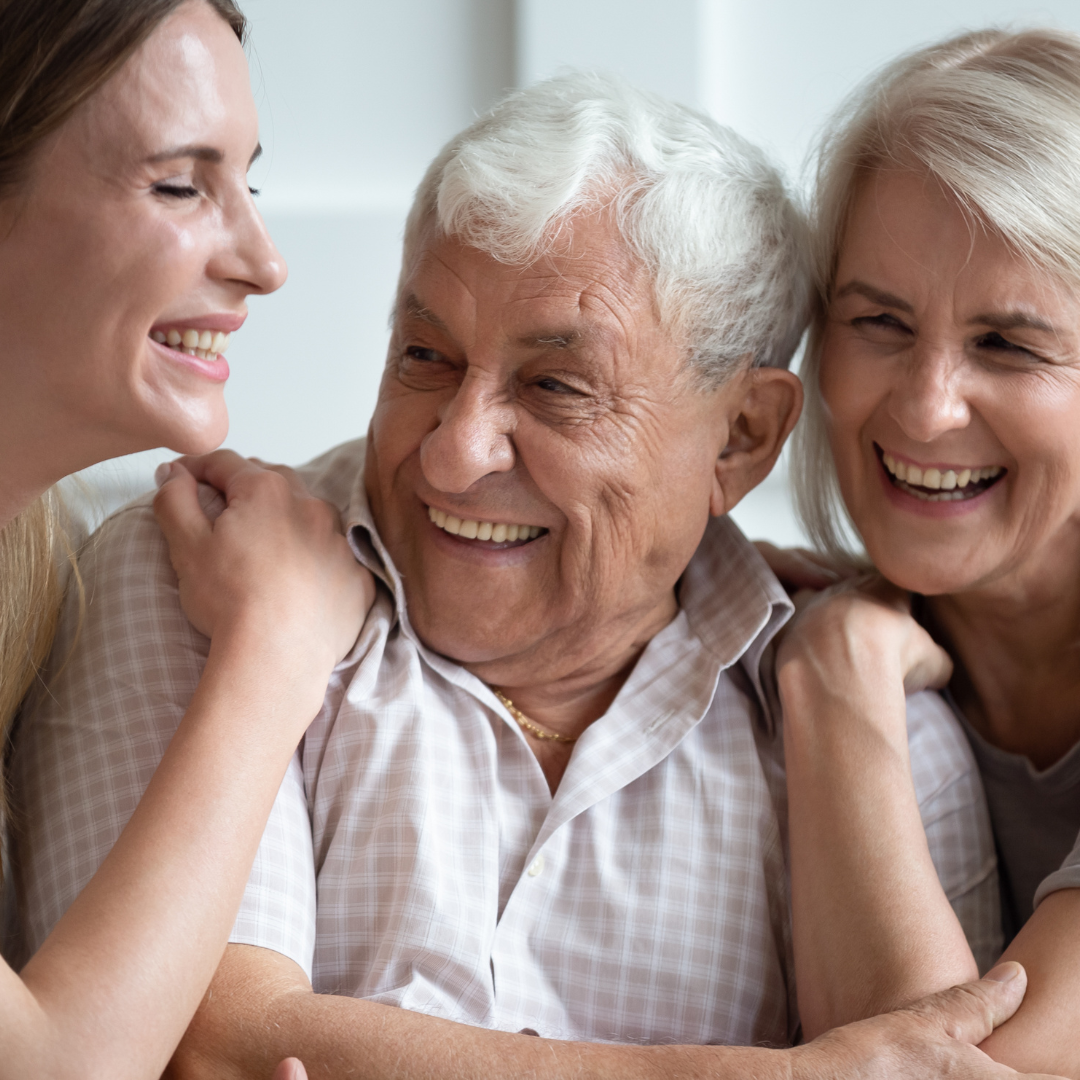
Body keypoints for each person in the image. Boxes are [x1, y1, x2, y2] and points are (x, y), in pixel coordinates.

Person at [12, 71, 1058, 1080]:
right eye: (425, 356)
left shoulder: (875, 722)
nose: (454, 452)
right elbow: (206, 1048)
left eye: (556, 386)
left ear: (742, 438)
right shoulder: (200, 578)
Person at [0, 1, 372, 1076]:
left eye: (247, 183)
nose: (263, 261)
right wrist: (275, 650)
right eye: (179, 185)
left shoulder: (42, 558)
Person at [759, 26, 1080, 1078]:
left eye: (1008, 344)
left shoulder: (830, 644)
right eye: (880, 322)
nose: (927, 407)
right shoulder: (742, 617)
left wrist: (837, 669)